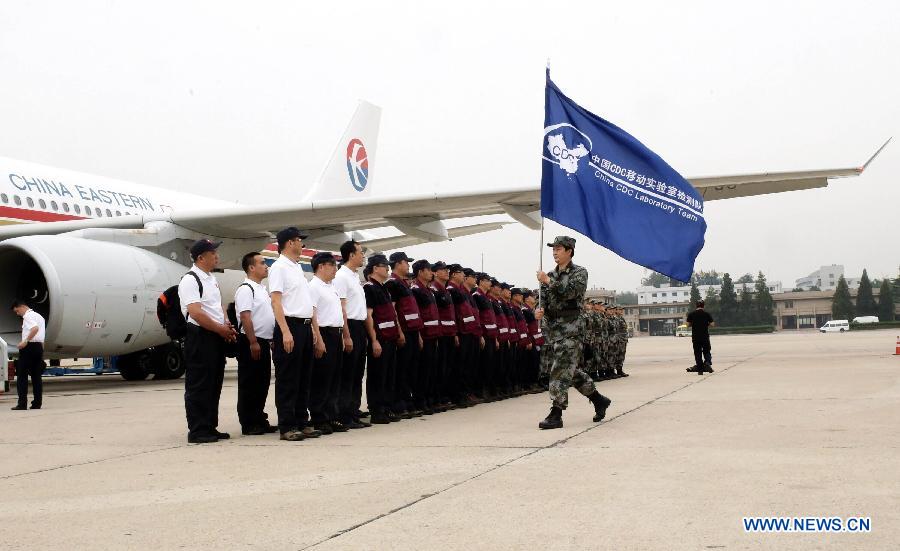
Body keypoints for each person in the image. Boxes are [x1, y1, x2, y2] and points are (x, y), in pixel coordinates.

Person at [536, 236, 612, 430]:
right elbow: (543, 300)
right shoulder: (550, 275)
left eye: (559, 249)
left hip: (571, 328)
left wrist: (547, 281)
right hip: (554, 330)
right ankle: (598, 399)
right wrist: (539, 311)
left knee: (560, 370)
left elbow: (570, 292)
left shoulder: (579, 273)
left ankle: (556, 413)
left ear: (569, 251)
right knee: (570, 371)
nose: (554, 252)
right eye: (553, 249)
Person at [179, 239, 237, 443]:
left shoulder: (211, 278)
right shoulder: (190, 279)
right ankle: (197, 430)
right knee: (200, 384)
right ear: (201, 257)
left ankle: (210, 426)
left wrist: (226, 322)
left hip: (215, 335)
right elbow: (195, 312)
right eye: (213, 253)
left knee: (214, 383)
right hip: (201, 336)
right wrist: (220, 328)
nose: (217, 256)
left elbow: (217, 305)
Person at [269, 227, 322, 441]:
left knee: (303, 378)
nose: (302, 244)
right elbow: (276, 301)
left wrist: (312, 330)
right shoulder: (279, 268)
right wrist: (285, 332)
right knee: (288, 380)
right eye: (299, 240)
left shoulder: (296, 267)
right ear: (290, 243)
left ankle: (302, 421)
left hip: (304, 327)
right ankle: (287, 426)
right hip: (289, 327)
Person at [234, 252, 277, 435]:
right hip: (251, 341)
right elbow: (245, 316)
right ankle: (249, 423)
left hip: (264, 341)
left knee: (262, 382)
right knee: (249, 383)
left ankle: (259, 418)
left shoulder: (261, 288)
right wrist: (253, 341)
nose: (266, 266)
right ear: (251, 267)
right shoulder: (246, 289)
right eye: (262, 263)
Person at [307, 252, 347, 434]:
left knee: (334, 378)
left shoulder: (331, 286)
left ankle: (332, 415)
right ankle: (319, 417)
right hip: (324, 333)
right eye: (332, 266)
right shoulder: (313, 286)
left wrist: (343, 336)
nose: (335, 269)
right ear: (321, 266)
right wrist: (319, 339)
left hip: (336, 334)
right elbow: (313, 314)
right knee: (322, 379)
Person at [334, 240, 371, 429]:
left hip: (360, 327)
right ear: (351, 255)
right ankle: (344, 414)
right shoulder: (341, 277)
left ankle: (353, 411)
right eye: (360, 252)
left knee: (357, 373)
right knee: (348, 374)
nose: (363, 255)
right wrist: (346, 335)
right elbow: (342, 308)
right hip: (350, 327)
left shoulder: (354, 276)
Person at [362, 254, 400, 425]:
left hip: (390, 338)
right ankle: (377, 410)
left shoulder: (383, 288)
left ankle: (386, 407)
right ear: (375, 268)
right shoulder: (369, 288)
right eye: (384, 266)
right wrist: (374, 340)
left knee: (389, 374)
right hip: (380, 339)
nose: (388, 269)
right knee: (378, 375)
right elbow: (369, 316)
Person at [385, 251, 419, 419]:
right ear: (398, 264)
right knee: (402, 369)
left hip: (412, 331)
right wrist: (399, 331)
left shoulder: (404, 284)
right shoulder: (393, 284)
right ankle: (399, 404)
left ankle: (407, 401)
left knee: (410, 369)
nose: (408, 265)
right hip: (403, 332)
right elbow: (392, 309)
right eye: (406, 262)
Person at [410, 259, 441, 414]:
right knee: (423, 370)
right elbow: (418, 315)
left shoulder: (429, 290)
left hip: (434, 335)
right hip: (424, 335)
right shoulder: (416, 290)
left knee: (431, 369)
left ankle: (428, 400)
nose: (431, 273)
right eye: (428, 270)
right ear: (420, 272)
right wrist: (419, 335)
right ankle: (420, 401)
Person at [447, 265, 480, 407]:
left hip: (469, 331)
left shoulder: (464, 292)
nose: (465, 277)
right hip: (461, 332)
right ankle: (458, 395)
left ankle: (465, 393)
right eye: (462, 274)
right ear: (455, 275)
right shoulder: (452, 290)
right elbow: (454, 313)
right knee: (459, 365)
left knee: (467, 364)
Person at [430, 261, 458, 410]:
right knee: (440, 367)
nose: (446, 272)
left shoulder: (445, 290)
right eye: (443, 270)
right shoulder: (434, 289)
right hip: (440, 334)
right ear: (435, 273)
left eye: (447, 270)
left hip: (449, 333)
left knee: (447, 366)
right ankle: (437, 397)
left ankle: (444, 396)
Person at [10, 300, 45, 410]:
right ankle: (37, 403)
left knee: (22, 376)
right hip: (38, 347)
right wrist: (41, 351)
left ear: (21, 307)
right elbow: (41, 335)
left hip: (29, 348)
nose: (17, 314)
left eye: (17, 311)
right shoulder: (40, 317)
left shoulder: (28, 316)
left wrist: (25, 341)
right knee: (36, 376)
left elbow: (35, 329)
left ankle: (22, 403)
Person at [472, 273, 498, 400]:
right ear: (481, 282)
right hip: (484, 335)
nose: (490, 283)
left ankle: (488, 389)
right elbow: (478, 318)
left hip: (492, 335)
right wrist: (481, 335)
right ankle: (480, 390)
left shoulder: (486, 297)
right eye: (487, 281)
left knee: (491, 363)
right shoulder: (476, 296)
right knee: (484, 363)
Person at [686, 300, 715, 374]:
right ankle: (707, 363)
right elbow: (712, 324)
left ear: (696, 306)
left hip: (695, 337)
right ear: (703, 306)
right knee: (707, 350)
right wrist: (706, 323)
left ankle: (700, 370)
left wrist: (694, 323)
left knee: (697, 353)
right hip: (705, 336)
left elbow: (687, 325)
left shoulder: (691, 314)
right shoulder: (706, 314)